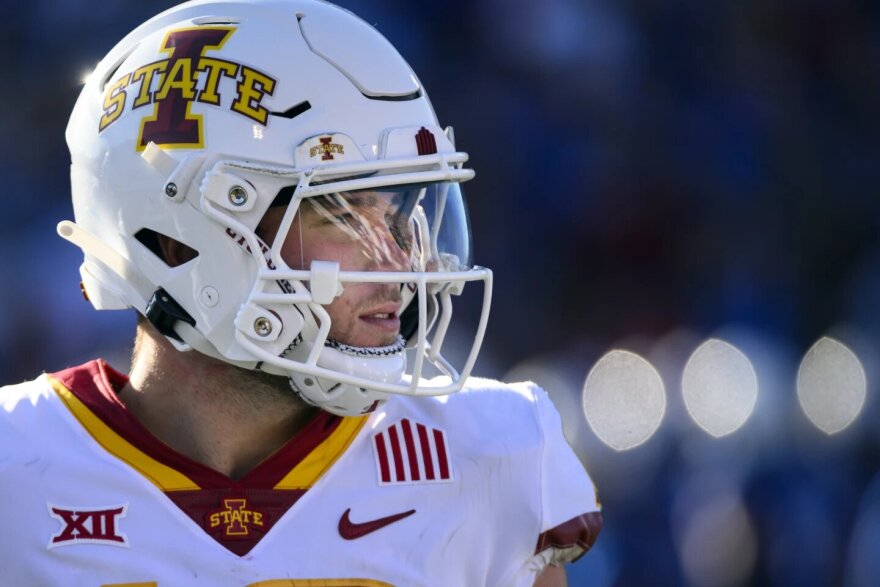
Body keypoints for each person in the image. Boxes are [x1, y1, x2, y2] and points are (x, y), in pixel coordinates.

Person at [0, 0, 601, 585]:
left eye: (398, 217)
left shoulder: (491, 456)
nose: (398, 264)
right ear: (178, 246)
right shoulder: (17, 474)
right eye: (342, 218)